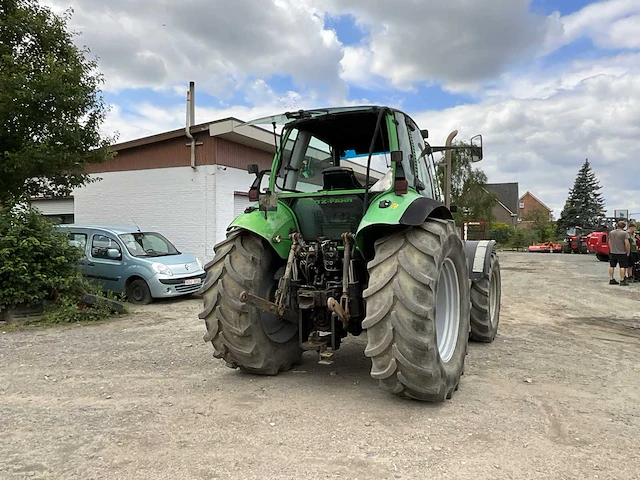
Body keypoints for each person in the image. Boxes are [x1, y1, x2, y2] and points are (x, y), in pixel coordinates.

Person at [609, 220, 630, 286]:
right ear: (624, 226)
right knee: (622, 266)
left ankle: (611, 279)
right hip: (622, 252)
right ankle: (622, 280)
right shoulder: (624, 233)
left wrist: (611, 248)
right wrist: (627, 251)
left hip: (613, 251)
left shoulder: (611, 232)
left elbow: (609, 241)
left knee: (612, 266)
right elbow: (627, 244)